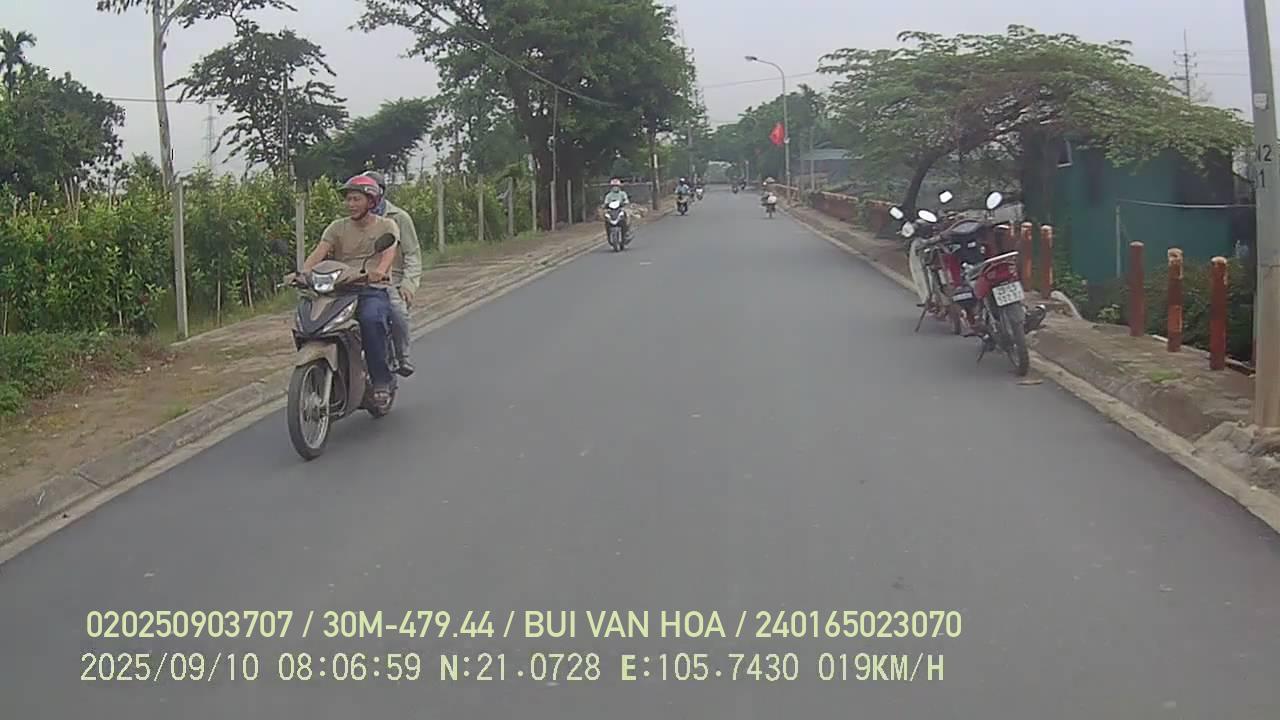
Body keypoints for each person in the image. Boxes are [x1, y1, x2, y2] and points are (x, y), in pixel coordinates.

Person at [301, 175, 400, 407]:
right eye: (348, 199)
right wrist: (303, 272)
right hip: (339, 289)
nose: (351, 204)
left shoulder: (386, 226)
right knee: (311, 320)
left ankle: (381, 381)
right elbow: (319, 253)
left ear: (371, 201)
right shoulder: (337, 227)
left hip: (370, 289)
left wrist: (380, 271)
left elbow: (388, 254)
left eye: (356, 199)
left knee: (371, 320)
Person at [363, 171, 421, 377]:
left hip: (391, 279)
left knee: (397, 312)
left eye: (370, 192)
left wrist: (408, 284)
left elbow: (412, 254)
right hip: (358, 279)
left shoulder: (398, 218)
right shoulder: (353, 219)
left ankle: (402, 355)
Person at [601, 178, 631, 243]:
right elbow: (605, 202)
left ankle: (627, 232)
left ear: (619, 186)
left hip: (620, 209)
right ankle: (608, 233)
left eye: (616, 186)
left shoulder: (622, 193)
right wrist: (604, 205)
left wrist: (625, 202)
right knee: (606, 216)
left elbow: (626, 200)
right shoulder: (608, 195)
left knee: (628, 214)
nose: (615, 188)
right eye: (613, 186)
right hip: (611, 210)